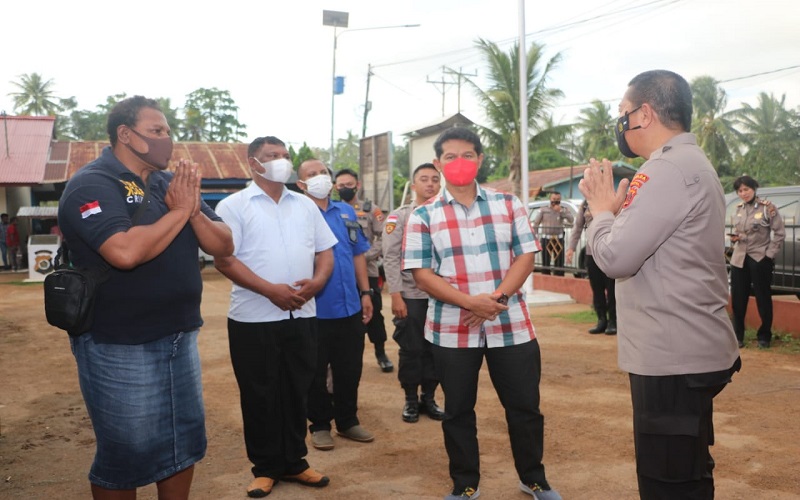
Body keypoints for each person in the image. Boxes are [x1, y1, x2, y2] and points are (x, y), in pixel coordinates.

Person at [57, 95, 234, 499]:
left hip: (178, 336)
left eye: (168, 132)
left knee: (181, 445)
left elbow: (224, 245)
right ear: (126, 135)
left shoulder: (172, 184)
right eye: (157, 131)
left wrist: (190, 210)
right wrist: (179, 212)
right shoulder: (93, 182)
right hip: (118, 343)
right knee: (126, 456)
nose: (167, 140)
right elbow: (124, 252)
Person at [578, 70, 741, 499]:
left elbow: (615, 257)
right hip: (686, 347)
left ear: (644, 114)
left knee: (667, 483)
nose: (620, 124)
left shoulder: (666, 169)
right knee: (686, 472)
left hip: (673, 356)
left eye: (623, 114)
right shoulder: (683, 163)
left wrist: (600, 211)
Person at [403, 127, 560, 500]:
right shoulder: (422, 216)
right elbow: (422, 275)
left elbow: (526, 254)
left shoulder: (509, 204)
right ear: (439, 164)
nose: (461, 163)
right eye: (451, 157)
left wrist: (496, 298)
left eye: (468, 155)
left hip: (512, 324)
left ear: (480, 159)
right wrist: (468, 303)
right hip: (452, 329)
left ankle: (533, 478)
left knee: (525, 407)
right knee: (457, 410)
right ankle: (465, 483)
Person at [213, 137, 338, 498]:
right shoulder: (232, 206)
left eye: (285, 156)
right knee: (260, 393)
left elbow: (326, 251)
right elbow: (226, 261)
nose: (282, 161)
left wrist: (316, 284)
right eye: (273, 156)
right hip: (254, 317)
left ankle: (296, 462)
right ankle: (265, 468)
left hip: (303, 312)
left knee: (297, 388)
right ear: (253, 163)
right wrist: (270, 290)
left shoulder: (304, 205)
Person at [298, 159, 376, 451]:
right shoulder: (298, 213)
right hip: (315, 309)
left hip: (350, 306)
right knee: (315, 371)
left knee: (349, 368)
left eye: (323, 173)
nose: (320, 178)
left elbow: (358, 254)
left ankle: (347, 421)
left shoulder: (345, 211)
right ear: (301, 184)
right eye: (312, 174)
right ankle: (319, 425)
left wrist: (366, 293)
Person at [382, 163, 445, 423]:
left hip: (442, 295)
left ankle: (428, 398)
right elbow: (391, 256)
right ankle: (410, 399)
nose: (430, 184)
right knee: (411, 349)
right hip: (411, 295)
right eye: (424, 179)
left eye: (434, 179)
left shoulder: (445, 214)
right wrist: (396, 294)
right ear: (414, 183)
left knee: (437, 349)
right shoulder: (400, 216)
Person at [334, 168, 394, 373]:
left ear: (357, 185)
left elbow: (384, 237)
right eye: (341, 186)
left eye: (349, 185)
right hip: (340, 272)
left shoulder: (370, 209)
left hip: (367, 272)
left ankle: (381, 353)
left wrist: (365, 254)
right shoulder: (332, 209)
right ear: (335, 187)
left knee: (374, 313)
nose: (345, 189)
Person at [729, 175, 785, 348]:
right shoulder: (738, 209)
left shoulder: (767, 208)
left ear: (754, 189)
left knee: (763, 298)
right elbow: (740, 230)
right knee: (738, 299)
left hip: (760, 258)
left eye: (746, 189)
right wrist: (735, 238)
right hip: (739, 259)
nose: (743, 193)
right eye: (740, 190)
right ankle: (737, 336)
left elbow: (780, 233)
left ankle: (764, 336)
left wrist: (769, 254)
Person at [566, 201, 617, 335]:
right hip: (591, 254)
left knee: (611, 289)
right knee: (597, 288)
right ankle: (601, 320)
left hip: (609, 252)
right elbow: (577, 227)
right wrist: (571, 248)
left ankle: (613, 321)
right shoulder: (585, 205)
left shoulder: (611, 199)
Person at [532, 192, 573, 276]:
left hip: (559, 238)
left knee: (559, 261)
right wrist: (535, 236)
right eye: (554, 199)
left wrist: (561, 212)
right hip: (546, 238)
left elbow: (571, 220)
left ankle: (559, 277)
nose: (556, 201)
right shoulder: (544, 209)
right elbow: (536, 223)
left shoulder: (563, 209)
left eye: (558, 200)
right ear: (550, 199)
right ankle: (546, 277)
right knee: (546, 261)